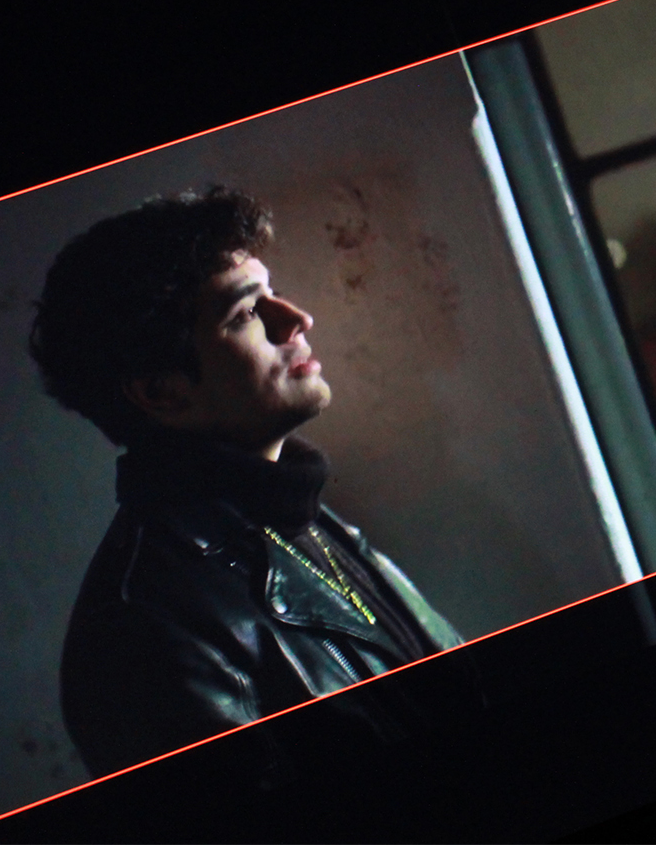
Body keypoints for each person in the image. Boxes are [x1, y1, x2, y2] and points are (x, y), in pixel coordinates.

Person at [29, 187, 464, 778]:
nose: (296, 320)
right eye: (245, 314)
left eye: (272, 294)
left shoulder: (293, 513)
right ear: (161, 392)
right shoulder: (143, 630)